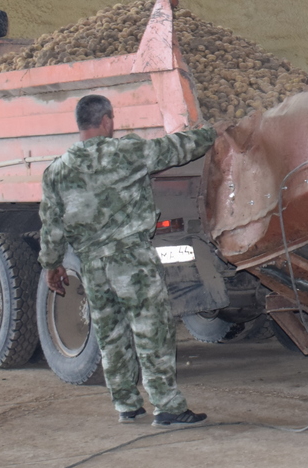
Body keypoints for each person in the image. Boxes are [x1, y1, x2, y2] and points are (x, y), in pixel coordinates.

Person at [39, 94, 217, 425]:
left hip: (92, 265)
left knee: (110, 333)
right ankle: (166, 405)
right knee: (152, 329)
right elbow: (177, 148)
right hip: (130, 259)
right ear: (106, 120)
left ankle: (126, 404)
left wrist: (52, 265)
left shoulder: (57, 171)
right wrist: (213, 132)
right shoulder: (126, 153)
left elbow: (51, 226)